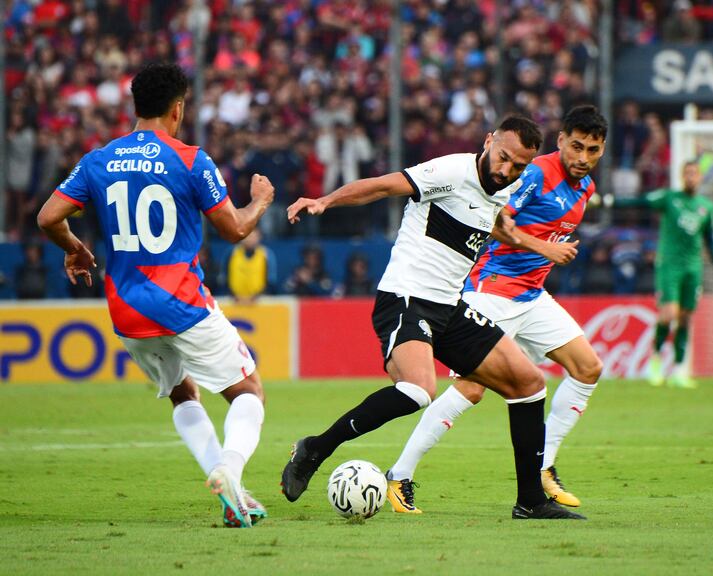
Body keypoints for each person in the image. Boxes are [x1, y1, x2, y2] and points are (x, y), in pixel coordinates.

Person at [283, 115, 584, 520]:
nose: (506, 170)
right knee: (418, 389)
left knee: (528, 384)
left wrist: (537, 246)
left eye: (518, 166)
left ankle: (530, 501)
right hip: (407, 297)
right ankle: (315, 448)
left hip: (449, 306)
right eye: (503, 157)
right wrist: (325, 201)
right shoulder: (450, 171)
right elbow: (382, 185)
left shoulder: (505, 185)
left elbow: (490, 221)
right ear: (489, 140)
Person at [36, 63, 275, 528]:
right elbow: (235, 230)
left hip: (126, 309)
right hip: (182, 301)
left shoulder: (98, 160)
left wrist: (77, 249)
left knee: (183, 394)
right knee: (248, 391)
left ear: (135, 106)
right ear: (178, 109)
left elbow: (48, 217)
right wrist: (261, 199)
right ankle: (230, 470)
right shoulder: (190, 159)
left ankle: (230, 492)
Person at [386, 105, 607, 514]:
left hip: (532, 296)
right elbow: (495, 219)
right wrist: (545, 247)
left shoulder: (586, 189)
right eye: (576, 146)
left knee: (588, 367)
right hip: (491, 289)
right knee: (471, 389)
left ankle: (544, 466)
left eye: (593, 150)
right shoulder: (535, 173)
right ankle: (400, 474)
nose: (583, 157)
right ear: (560, 141)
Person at [612, 161, 713, 388]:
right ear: (681, 176)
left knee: (685, 318)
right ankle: (656, 360)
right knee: (669, 314)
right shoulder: (670, 198)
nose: (691, 177)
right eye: (687, 173)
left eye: (694, 174)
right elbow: (641, 202)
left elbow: (710, 240)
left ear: (700, 178)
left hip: (692, 268)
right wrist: (609, 201)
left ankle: (679, 369)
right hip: (669, 266)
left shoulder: (705, 207)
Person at [227, 228, 274, 303]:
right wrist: (233, 295)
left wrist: (259, 296)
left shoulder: (266, 254)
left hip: (259, 301)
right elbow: (224, 276)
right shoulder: (232, 253)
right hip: (234, 301)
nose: (250, 240)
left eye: (254, 237)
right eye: (248, 236)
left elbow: (271, 279)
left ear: (259, 237)